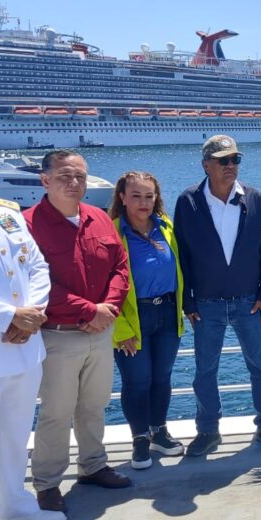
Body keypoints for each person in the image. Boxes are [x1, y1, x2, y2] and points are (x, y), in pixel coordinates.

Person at [0, 128, 66, 520]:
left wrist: (32, 312)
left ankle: (14, 506)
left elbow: (36, 264)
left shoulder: (3, 213)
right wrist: (6, 316)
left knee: (15, 434)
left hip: (23, 347)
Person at [25, 150, 132, 513]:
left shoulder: (99, 218)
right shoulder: (28, 224)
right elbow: (36, 284)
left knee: (94, 405)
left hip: (100, 333)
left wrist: (109, 308)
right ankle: (47, 482)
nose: (75, 184)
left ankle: (93, 465)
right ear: (45, 180)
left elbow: (120, 266)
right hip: (58, 334)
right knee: (56, 411)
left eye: (81, 177)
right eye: (65, 177)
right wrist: (91, 310)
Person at [174, 135, 261, 456]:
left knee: (260, 367)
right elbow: (181, 255)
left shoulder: (253, 198)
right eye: (223, 161)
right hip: (207, 305)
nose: (231, 166)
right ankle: (208, 431)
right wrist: (187, 301)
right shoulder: (189, 201)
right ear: (206, 165)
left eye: (235, 160)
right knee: (205, 371)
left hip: (248, 301)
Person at [109, 171, 186, 469]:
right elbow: (104, 284)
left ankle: (159, 432)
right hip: (133, 317)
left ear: (157, 198)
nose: (144, 202)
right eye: (137, 195)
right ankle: (140, 438)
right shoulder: (112, 233)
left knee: (161, 378)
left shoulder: (165, 227)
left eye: (149, 196)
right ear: (122, 197)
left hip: (167, 312)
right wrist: (120, 329)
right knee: (137, 381)